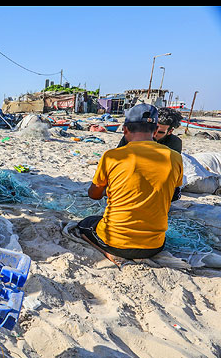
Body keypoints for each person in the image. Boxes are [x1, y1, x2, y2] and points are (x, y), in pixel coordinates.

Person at [76, 104, 183, 265]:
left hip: (114, 243)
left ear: (125, 130)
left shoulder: (112, 156)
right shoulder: (175, 157)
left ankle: (107, 253)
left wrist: (111, 190)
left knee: (85, 224)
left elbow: (94, 194)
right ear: (155, 132)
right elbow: (174, 194)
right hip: (155, 246)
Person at [116, 106, 183, 153]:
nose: (154, 134)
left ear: (170, 131)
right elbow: (118, 156)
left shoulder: (174, 143)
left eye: (160, 132)